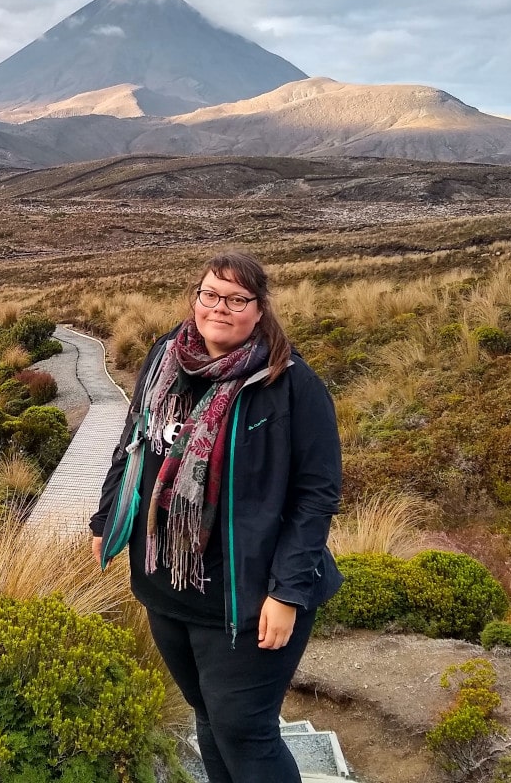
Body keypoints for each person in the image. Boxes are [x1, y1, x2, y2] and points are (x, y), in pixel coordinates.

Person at [89, 252, 342, 783]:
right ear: (195, 298)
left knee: (247, 732)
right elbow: (134, 441)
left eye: (236, 299)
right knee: (209, 715)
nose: (219, 308)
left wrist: (287, 592)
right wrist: (106, 516)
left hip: (247, 595)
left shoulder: (290, 384)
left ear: (260, 309)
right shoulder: (165, 356)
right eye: (210, 295)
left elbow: (315, 496)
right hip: (168, 587)